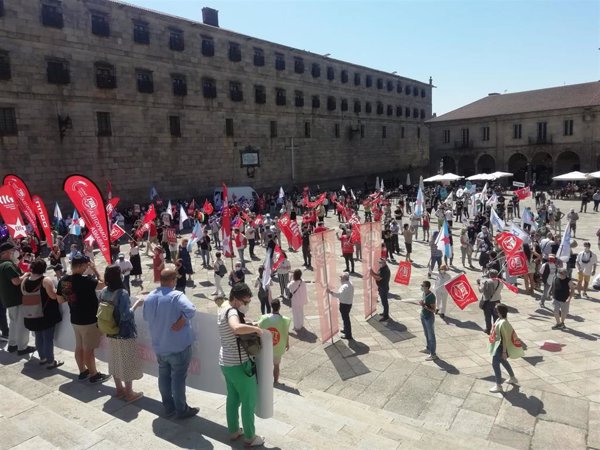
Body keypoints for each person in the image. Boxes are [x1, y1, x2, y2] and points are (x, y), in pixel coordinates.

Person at [143, 268, 198, 419]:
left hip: (159, 346)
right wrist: (182, 320)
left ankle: (168, 406)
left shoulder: (150, 297)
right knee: (178, 379)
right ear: (173, 281)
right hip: (178, 346)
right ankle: (181, 409)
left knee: (164, 377)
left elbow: (146, 317)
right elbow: (191, 309)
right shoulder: (176, 296)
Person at [218, 283, 265, 447]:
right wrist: (258, 331)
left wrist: (249, 324)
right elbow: (236, 328)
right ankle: (250, 437)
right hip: (239, 364)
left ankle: (233, 431)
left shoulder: (223, 307)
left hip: (225, 362)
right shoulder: (231, 311)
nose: (246, 305)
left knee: (233, 398)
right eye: (245, 302)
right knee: (248, 400)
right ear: (237, 300)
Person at [57, 253, 111, 383]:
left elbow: (60, 300)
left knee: (79, 347)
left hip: (75, 319)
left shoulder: (64, 280)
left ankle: (82, 371)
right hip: (89, 321)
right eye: (86, 265)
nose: (87, 268)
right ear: (81, 266)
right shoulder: (87, 280)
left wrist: (72, 297)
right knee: (88, 350)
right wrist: (95, 269)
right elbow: (104, 284)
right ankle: (94, 374)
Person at [101, 265, 144, 403]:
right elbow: (126, 315)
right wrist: (136, 304)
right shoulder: (122, 293)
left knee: (114, 361)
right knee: (126, 362)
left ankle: (119, 389)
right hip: (124, 333)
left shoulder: (103, 291)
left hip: (110, 330)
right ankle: (129, 393)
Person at [23, 258, 63, 368]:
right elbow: (53, 296)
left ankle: (42, 358)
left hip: (31, 315)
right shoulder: (45, 281)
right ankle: (50, 361)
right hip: (46, 315)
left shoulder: (25, 280)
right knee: (47, 339)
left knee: (38, 337)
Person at [0, 242, 34, 355]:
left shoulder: (2, 265)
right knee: (22, 323)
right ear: (5, 252)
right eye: (12, 251)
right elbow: (16, 281)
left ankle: (12, 345)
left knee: (13, 323)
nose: (14, 253)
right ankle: (22, 347)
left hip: (8, 299)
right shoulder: (8, 265)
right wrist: (26, 274)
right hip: (17, 299)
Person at [488, 303, 523, 393]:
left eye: (496, 309)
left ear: (499, 311)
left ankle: (498, 385)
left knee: (495, 364)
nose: (494, 311)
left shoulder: (503, 323)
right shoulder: (500, 319)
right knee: (503, 361)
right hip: (498, 346)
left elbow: (504, 339)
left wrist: (504, 352)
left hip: (500, 348)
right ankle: (512, 378)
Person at [258, 298, 290, 384]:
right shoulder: (284, 320)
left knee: (266, 365)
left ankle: (265, 381)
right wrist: (287, 343)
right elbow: (286, 333)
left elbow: (258, 328)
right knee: (276, 365)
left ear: (271, 306)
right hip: (278, 346)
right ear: (279, 307)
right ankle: (275, 381)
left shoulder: (264, 318)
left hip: (266, 346)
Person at [327, 273, 354, 340]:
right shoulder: (350, 284)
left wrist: (330, 292)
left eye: (341, 278)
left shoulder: (344, 286)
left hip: (344, 304)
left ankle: (348, 335)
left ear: (344, 278)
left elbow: (339, 295)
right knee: (345, 318)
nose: (340, 279)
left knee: (346, 319)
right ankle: (346, 330)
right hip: (349, 303)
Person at [478, 269, 503, 335]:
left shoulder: (487, 282)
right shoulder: (500, 282)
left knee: (487, 317)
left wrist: (479, 284)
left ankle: (488, 329)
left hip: (488, 302)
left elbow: (481, 290)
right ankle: (496, 330)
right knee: (496, 317)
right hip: (497, 301)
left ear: (490, 275)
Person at [419, 280, 438, 361]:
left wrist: (424, 306)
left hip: (429, 318)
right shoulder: (424, 293)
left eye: (422, 285)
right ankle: (428, 348)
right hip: (423, 315)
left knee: (431, 336)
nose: (421, 287)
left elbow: (433, 310)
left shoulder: (431, 296)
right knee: (426, 334)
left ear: (427, 287)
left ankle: (433, 354)